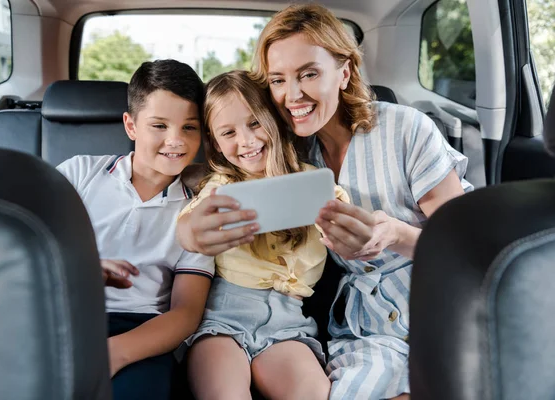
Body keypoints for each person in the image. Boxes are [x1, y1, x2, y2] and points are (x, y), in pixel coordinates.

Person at [178, 4, 474, 400]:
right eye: (278, 80)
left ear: (345, 72)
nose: (292, 94)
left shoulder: (406, 130)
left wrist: (394, 234)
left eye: (309, 74)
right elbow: (213, 193)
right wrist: (192, 229)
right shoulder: (287, 156)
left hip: (440, 303)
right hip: (367, 328)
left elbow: (464, 251)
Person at [176, 70, 350, 400]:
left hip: (288, 323)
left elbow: (344, 214)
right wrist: (192, 232)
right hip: (223, 318)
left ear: (274, 119)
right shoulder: (222, 187)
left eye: (255, 123)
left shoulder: (313, 182)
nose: (247, 141)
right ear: (215, 143)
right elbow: (190, 223)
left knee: (313, 393)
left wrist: (340, 225)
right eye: (229, 132)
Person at [57, 59, 214, 400]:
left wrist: (117, 353)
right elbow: (25, 245)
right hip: (61, 313)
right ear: (131, 125)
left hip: (141, 331)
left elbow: (186, 313)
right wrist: (80, 270)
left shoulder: (199, 210)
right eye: (159, 125)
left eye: (190, 127)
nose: (175, 140)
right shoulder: (79, 173)